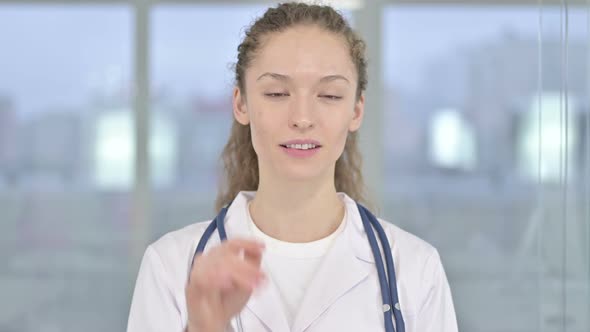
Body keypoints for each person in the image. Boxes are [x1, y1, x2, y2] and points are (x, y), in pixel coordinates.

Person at [127, 2, 458, 332]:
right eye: (276, 93)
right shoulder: (171, 267)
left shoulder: (415, 269)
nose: (302, 117)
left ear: (356, 111)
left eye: (329, 95)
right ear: (241, 104)